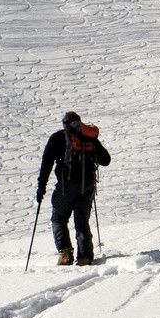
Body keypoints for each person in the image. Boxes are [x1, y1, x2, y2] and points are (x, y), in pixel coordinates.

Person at [36, 111, 111, 266]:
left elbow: (47, 163)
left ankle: (65, 252)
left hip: (66, 186)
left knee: (59, 219)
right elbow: (106, 160)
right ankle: (85, 257)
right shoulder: (89, 138)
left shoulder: (58, 138)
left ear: (64, 124)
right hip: (88, 185)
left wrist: (41, 188)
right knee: (82, 221)